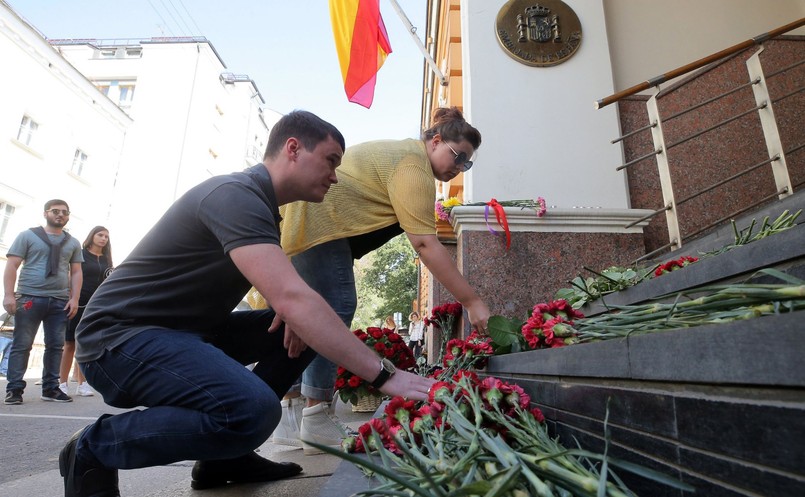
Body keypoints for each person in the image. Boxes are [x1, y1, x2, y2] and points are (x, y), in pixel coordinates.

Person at [60, 110, 435, 497]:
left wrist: (297, 315)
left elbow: (293, 301)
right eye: (331, 160)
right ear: (293, 148)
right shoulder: (234, 196)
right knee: (253, 410)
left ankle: (226, 458)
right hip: (118, 340)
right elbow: (293, 297)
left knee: (303, 329)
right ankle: (94, 447)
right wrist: (386, 376)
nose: (335, 176)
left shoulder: (262, 208)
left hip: (184, 334)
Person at [274, 107, 492, 454]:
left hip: (312, 217)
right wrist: (472, 301)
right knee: (335, 304)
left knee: (302, 318)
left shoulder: (408, 157)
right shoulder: (412, 165)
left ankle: (290, 415)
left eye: (467, 163)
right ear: (435, 141)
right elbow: (424, 243)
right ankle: (316, 414)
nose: (460, 167)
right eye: (458, 156)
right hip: (318, 218)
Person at [3, 200, 83, 405]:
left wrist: (74, 299)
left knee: (56, 346)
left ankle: (50, 388)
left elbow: (76, 272)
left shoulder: (73, 242)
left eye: (65, 212)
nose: (60, 215)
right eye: (55, 211)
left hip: (60, 301)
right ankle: (14, 390)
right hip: (30, 297)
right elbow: (12, 265)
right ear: (45, 213)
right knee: (22, 344)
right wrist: (9, 295)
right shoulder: (27, 236)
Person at [59, 226, 113, 397]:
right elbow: (71, 276)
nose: (103, 238)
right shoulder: (80, 254)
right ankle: (62, 383)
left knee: (86, 344)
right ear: (92, 236)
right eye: (100, 235)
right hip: (77, 302)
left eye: (106, 236)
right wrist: (70, 297)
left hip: (96, 305)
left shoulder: (107, 259)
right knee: (69, 343)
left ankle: (83, 384)